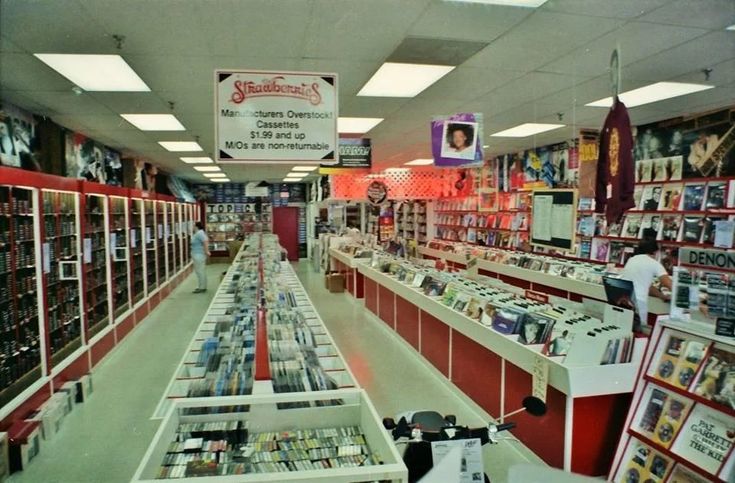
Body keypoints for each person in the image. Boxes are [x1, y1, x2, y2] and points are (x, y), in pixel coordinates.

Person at [620, 238, 673, 322]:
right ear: (655, 251)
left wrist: (661, 296)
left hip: (623, 300)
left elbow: (646, 285)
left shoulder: (631, 260)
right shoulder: (654, 263)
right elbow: (668, 283)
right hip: (638, 302)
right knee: (638, 328)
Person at [191, 222, 210, 293]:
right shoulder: (198, 233)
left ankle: (202, 287)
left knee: (200, 271)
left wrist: (207, 251)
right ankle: (201, 286)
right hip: (197, 254)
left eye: (193, 226)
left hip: (199, 254)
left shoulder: (200, 233)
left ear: (196, 226)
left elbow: (205, 241)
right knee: (199, 271)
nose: (192, 227)